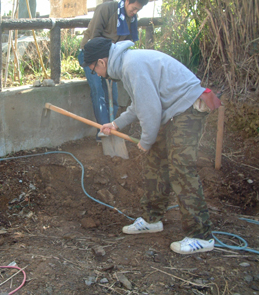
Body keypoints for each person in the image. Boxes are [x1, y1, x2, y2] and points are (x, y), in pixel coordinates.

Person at [83, 37, 222, 255]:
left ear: (101, 62)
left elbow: (150, 111)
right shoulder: (127, 65)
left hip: (187, 108)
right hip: (174, 110)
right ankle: (152, 219)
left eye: (94, 70)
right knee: (155, 162)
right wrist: (116, 123)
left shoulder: (132, 66)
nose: (97, 75)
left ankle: (201, 236)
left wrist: (146, 141)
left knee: (180, 167)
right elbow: (139, 105)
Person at [78, 0, 149, 141]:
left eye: (138, 11)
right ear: (127, 1)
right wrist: (103, 63)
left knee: (113, 95)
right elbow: (94, 39)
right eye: (134, 8)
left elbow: (126, 43)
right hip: (92, 57)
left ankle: (111, 127)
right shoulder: (106, 9)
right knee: (99, 91)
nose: (135, 13)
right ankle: (102, 132)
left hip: (111, 60)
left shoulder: (131, 18)